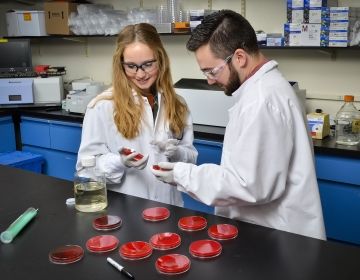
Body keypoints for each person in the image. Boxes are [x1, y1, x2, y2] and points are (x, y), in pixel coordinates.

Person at [151, 10, 326, 240]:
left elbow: (249, 186)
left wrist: (183, 175)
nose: (209, 80)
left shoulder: (261, 100)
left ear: (240, 57)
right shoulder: (263, 89)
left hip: (278, 237)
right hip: (271, 233)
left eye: (212, 70)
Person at [77, 23, 197, 206]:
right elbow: (85, 171)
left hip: (170, 209)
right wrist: (119, 162)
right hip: (127, 213)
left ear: (161, 60)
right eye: (131, 66)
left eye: (148, 64)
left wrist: (178, 152)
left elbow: (191, 159)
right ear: (121, 65)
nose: (140, 74)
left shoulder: (177, 104)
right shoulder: (102, 106)